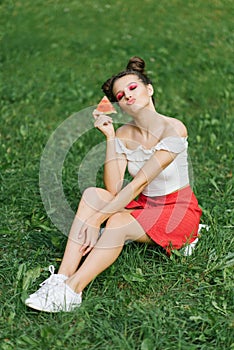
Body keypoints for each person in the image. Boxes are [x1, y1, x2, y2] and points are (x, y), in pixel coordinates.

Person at [25, 56, 202, 312]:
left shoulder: (173, 129)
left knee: (116, 222)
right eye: (120, 95)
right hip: (144, 205)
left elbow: (140, 182)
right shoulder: (124, 133)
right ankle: (61, 278)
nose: (127, 96)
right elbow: (113, 188)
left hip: (177, 210)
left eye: (133, 88)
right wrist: (110, 137)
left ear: (149, 89)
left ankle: (72, 291)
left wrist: (97, 220)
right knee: (91, 195)